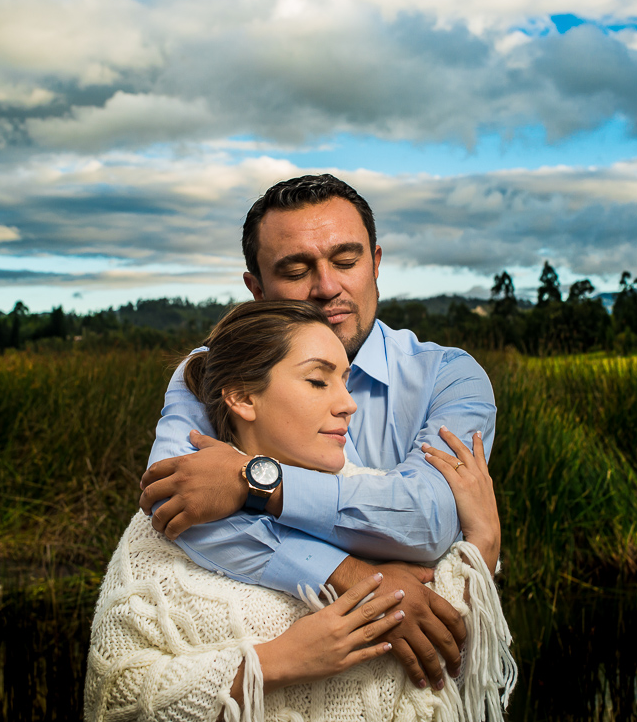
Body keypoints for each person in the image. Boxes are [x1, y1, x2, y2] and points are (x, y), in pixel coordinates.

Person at [138, 175, 498, 692]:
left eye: (346, 261)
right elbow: (177, 505)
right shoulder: (211, 373)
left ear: (375, 263)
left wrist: (252, 483)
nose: (327, 286)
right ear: (256, 288)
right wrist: (349, 574)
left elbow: (429, 521)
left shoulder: (449, 378)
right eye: (296, 269)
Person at [85, 301, 514, 721]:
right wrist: (278, 662)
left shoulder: (377, 494)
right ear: (241, 396)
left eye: (345, 381)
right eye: (317, 381)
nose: (348, 403)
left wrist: (483, 545)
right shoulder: (168, 525)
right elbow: (118, 694)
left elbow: (444, 652)